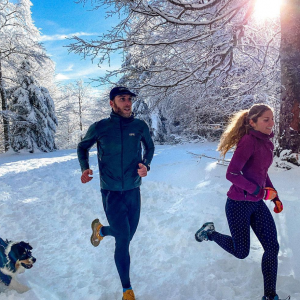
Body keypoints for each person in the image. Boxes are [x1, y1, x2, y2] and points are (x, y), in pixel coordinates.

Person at [194, 104, 288, 300]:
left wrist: (274, 195)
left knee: (272, 247)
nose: (271, 123)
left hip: (256, 203)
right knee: (241, 252)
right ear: (252, 122)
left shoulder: (267, 143)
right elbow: (232, 173)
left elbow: (261, 173)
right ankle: (210, 233)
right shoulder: (248, 141)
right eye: (266, 120)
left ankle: (270, 296)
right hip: (238, 204)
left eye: (272, 118)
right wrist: (259, 192)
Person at [77, 86, 155, 300]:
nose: (128, 103)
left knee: (128, 234)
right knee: (123, 238)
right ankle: (126, 290)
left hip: (133, 189)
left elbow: (149, 147)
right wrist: (85, 167)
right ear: (112, 103)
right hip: (111, 191)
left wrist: (146, 165)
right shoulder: (100, 127)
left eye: (129, 99)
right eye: (122, 99)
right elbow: (82, 147)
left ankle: (100, 231)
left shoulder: (140, 126)